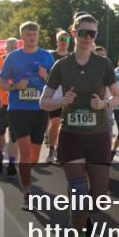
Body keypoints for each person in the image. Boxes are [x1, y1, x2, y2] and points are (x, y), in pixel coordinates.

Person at [40, 14, 119, 237]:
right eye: (83, 32)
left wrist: (104, 103)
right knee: (78, 193)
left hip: (98, 136)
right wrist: (61, 101)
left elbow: (118, 97)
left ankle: (84, 218)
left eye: (92, 34)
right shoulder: (61, 66)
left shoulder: (104, 64)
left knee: (97, 198)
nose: (87, 38)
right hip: (71, 136)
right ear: (73, 33)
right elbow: (43, 102)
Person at [0, 21, 56, 208]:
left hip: (39, 110)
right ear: (22, 36)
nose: (32, 37)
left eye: (35, 34)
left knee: (34, 155)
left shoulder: (47, 57)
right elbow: (1, 85)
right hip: (18, 109)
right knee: (24, 151)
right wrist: (15, 86)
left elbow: (55, 84)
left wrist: (45, 76)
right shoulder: (13, 57)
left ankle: (25, 176)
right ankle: (28, 191)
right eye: (29, 34)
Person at [0, 39, 19, 175]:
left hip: (16, 104)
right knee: (0, 134)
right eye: (10, 47)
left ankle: (12, 163)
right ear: (5, 48)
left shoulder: (22, 61)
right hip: (1, 103)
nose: (12, 49)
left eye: (14, 47)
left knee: (14, 136)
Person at [45, 29, 72, 163]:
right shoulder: (50, 56)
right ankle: (51, 149)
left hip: (69, 95)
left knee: (64, 125)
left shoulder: (72, 57)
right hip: (54, 94)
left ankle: (59, 151)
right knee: (55, 123)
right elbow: (44, 74)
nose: (64, 42)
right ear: (57, 41)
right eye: (61, 39)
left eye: (66, 39)